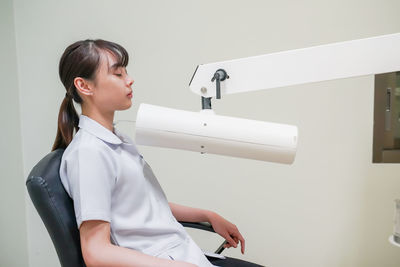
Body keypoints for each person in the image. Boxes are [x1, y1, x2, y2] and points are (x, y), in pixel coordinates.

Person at [52, 39, 258, 267]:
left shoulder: (117, 138)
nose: (129, 80)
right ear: (85, 86)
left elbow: (143, 205)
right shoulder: (89, 154)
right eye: (118, 74)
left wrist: (207, 215)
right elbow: (96, 252)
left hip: (181, 252)